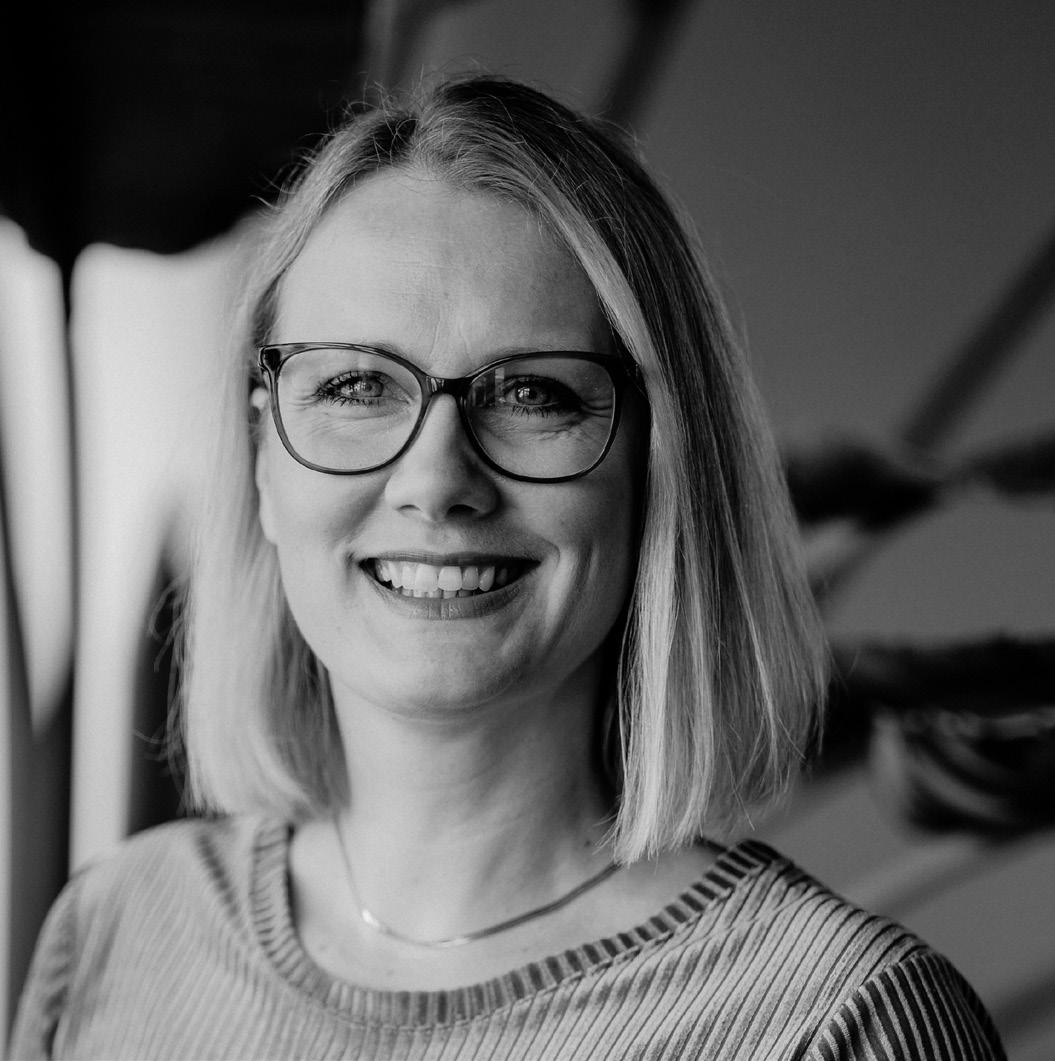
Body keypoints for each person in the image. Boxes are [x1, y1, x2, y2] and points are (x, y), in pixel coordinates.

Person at [10, 75, 1004, 1060]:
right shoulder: (115, 933)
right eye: (355, 384)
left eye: (532, 394)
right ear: (263, 459)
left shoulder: (847, 1020)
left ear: (660, 469)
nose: (436, 480)